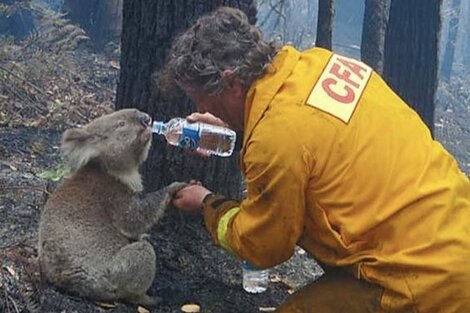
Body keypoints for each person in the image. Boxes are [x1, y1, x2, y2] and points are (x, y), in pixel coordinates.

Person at [158, 6, 470, 313]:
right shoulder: (318, 64)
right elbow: (310, 138)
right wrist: (238, 128)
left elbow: (264, 245)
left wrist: (207, 204)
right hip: (455, 232)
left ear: (230, 83)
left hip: (425, 283)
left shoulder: (276, 139)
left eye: (202, 99)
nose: (202, 108)